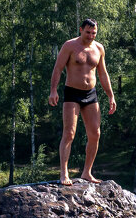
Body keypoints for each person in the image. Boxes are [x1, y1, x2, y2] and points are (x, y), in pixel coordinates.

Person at [48, 19, 117, 185]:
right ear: (81, 30)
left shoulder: (99, 48)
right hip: (72, 93)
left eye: (94, 33)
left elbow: (103, 74)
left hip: (91, 94)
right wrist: (53, 90)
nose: (91, 36)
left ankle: (87, 172)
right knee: (69, 133)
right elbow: (57, 68)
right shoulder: (70, 46)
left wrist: (111, 96)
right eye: (88, 32)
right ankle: (64, 173)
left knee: (95, 134)